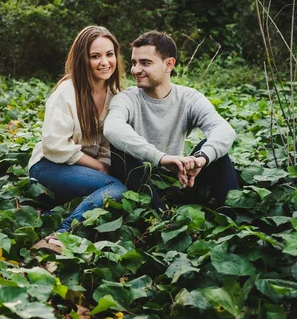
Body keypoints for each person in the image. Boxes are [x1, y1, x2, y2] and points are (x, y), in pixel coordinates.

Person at [103, 31, 239, 216]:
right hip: (140, 183)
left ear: (169, 64)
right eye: (134, 63)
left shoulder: (189, 97)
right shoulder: (126, 98)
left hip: (178, 178)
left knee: (214, 151)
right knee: (120, 149)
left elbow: (223, 130)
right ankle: (159, 215)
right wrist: (161, 158)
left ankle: (238, 218)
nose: (135, 69)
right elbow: (112, 128)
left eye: (145, 63)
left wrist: (201, 159)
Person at [28, 25, 127, 254]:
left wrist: (104, 165)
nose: (105, 62)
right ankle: (61, 236)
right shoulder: (67, 91)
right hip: (48, 165)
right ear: (82, 59)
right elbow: (53, 145)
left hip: (80, 170)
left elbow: (107, 144)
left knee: (116, 190)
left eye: (109, 54)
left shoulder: (116, 95)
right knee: (115, 188)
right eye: (95, 56)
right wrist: (99, 167)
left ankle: (49, 213)